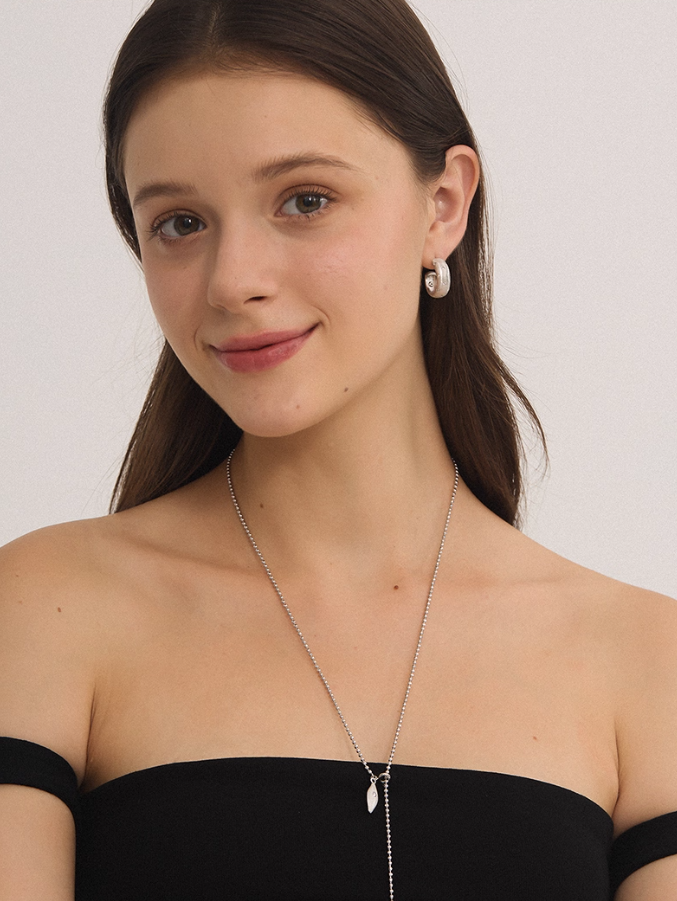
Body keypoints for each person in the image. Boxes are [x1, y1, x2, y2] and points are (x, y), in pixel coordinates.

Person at [0, 0, 676, 897]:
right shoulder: (44, 612)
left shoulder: (646, 664)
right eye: (180, 223)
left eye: (305, 201)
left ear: (442, 205)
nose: (234, 280)